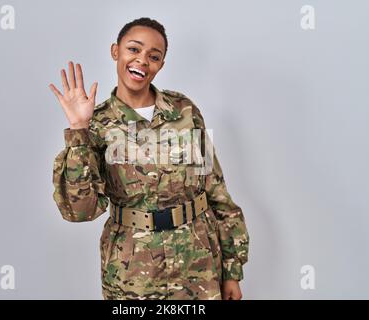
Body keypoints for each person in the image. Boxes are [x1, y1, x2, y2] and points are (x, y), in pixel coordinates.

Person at [49, 17, 249, 300]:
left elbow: (216, 189)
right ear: (115, 51)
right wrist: (79, 130)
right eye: (134, 49)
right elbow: (81, 211)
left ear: (161, 65)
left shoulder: (184, 110)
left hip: (198, 262)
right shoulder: (97, 124)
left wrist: (231, 270)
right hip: (133, 270)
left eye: (154, 56)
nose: (142, 60)